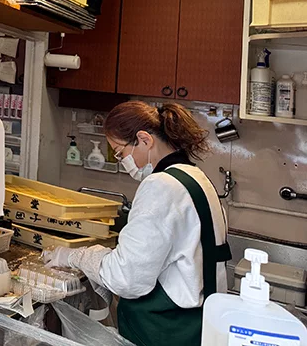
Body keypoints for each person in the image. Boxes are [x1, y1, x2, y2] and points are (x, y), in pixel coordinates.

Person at [44, 102, 230, 346]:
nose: (123, 161)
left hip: (165, 328)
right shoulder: (196, 178)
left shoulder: (161, 186)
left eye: (120, 153)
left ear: (144, 139)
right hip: (200, 323)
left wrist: (75, 257)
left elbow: (126, 278)